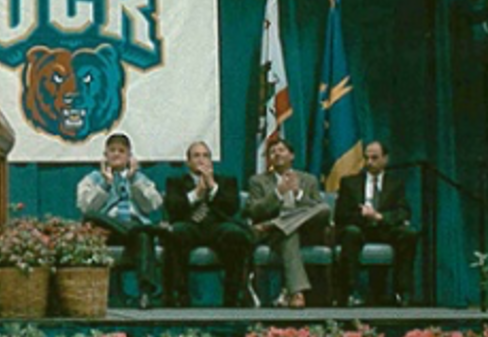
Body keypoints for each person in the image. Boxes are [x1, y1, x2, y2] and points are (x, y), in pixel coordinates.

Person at [75, 131, 165, 309]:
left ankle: (145, 293)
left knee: (142, 236)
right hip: (107, 230)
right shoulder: (93, 178)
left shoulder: (139, 178)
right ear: (105, 155)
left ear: (129, 156)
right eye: (112, 150)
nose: (116, 154)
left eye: (121, 151)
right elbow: (86, 207)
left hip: (133, 227)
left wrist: (133, 180)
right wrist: (105, 183)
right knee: (91, 217)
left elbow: (152, 205)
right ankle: (135, 230)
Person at [162, 141, 255, 308]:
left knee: (235, 235)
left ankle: (234, 294)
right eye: (196, 156)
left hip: (217, 226)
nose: (201, 160)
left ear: (211, 161)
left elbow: (232, 208)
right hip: (189, 225)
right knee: (175, 233)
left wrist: (212, 187)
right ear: (188, 162)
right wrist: (196, 193)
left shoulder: (227, 181)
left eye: (205, 156)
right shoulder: (175, 182)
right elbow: (174, 208)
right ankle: (179, 295)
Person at [245, 138, 329, 308]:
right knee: (289, 234)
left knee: (325, 208)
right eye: (272, 152)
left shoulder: (309, 180)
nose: (277, 154)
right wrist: (278, 192)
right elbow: (254, 211)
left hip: (305, 232)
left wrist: (298, 194)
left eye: (281, 150)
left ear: (292, 155)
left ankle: (276, 223)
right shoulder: (257, 181)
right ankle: (297, 293)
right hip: (275, 236)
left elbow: (320, 211)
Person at [334, 141, 420, 306]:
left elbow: (403, 211)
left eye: (374, 158)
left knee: (409, 234)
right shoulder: (349, 183)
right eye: (366, 158)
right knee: (350, 233)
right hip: (360, 228)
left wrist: (379, 217)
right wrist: (364, 216)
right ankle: (351, 292)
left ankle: (402, 292)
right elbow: (341, 214)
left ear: (385, 159)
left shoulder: (395, 184)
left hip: (384, 228)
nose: (369, 162)